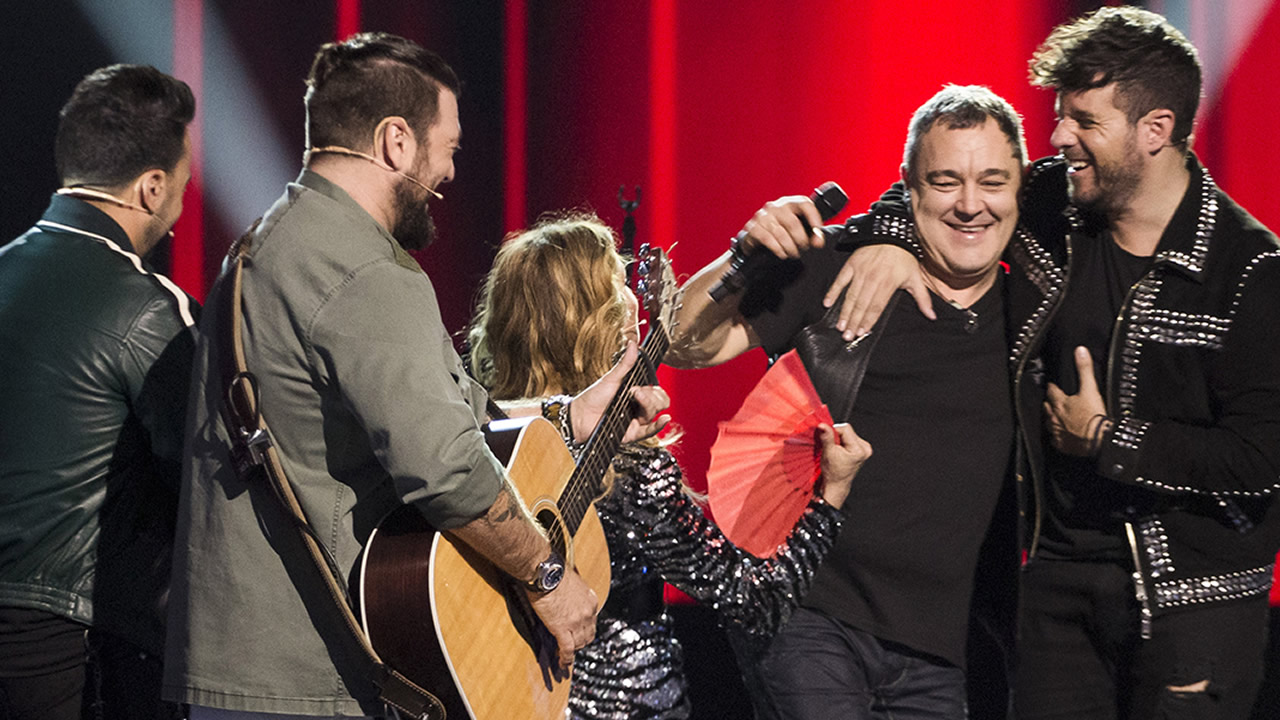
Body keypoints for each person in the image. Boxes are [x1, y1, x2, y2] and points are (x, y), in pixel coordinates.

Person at [162, 33, 667, 719]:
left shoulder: (258, 251)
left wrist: (572, 416)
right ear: (397, 142)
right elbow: (449, 469)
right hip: (312, 676)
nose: (451, 173)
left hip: (236, 667)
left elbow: (435, 413)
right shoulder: (367, 271)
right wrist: (548, 577)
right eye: (448, 148)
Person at [825, 7, 1280, 719]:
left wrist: (1106, 439)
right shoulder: (1049, 202)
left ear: (1155, 130)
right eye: (1060, 116)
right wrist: (885, 241)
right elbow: (933, 194)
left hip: (1191, 601)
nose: (1060, 137)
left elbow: (1261, 457)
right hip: (1052, 582)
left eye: (1084, 121)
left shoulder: (1249, 271)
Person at [667, 85, 1028, 719]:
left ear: (1020, 188)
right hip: (809, 613)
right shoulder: (838, 266)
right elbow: (681, 344)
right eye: (945, 182)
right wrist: (742, 258)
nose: (971, 205)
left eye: (991, 181)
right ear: (909, 190)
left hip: (940, 649)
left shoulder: (1032, 313)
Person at [466, 211, 871, 719]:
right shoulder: (629, 473)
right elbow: (756, 601)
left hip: (497, 695)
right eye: (619, 282)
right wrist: (830, 497)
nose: (633, 298)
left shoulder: (478, 444)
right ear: (598, 316)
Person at [0, 64, 197, 720]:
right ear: (151, 187)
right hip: (64, 648)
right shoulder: (151, 310)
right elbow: (202, 484)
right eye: (183, 185)